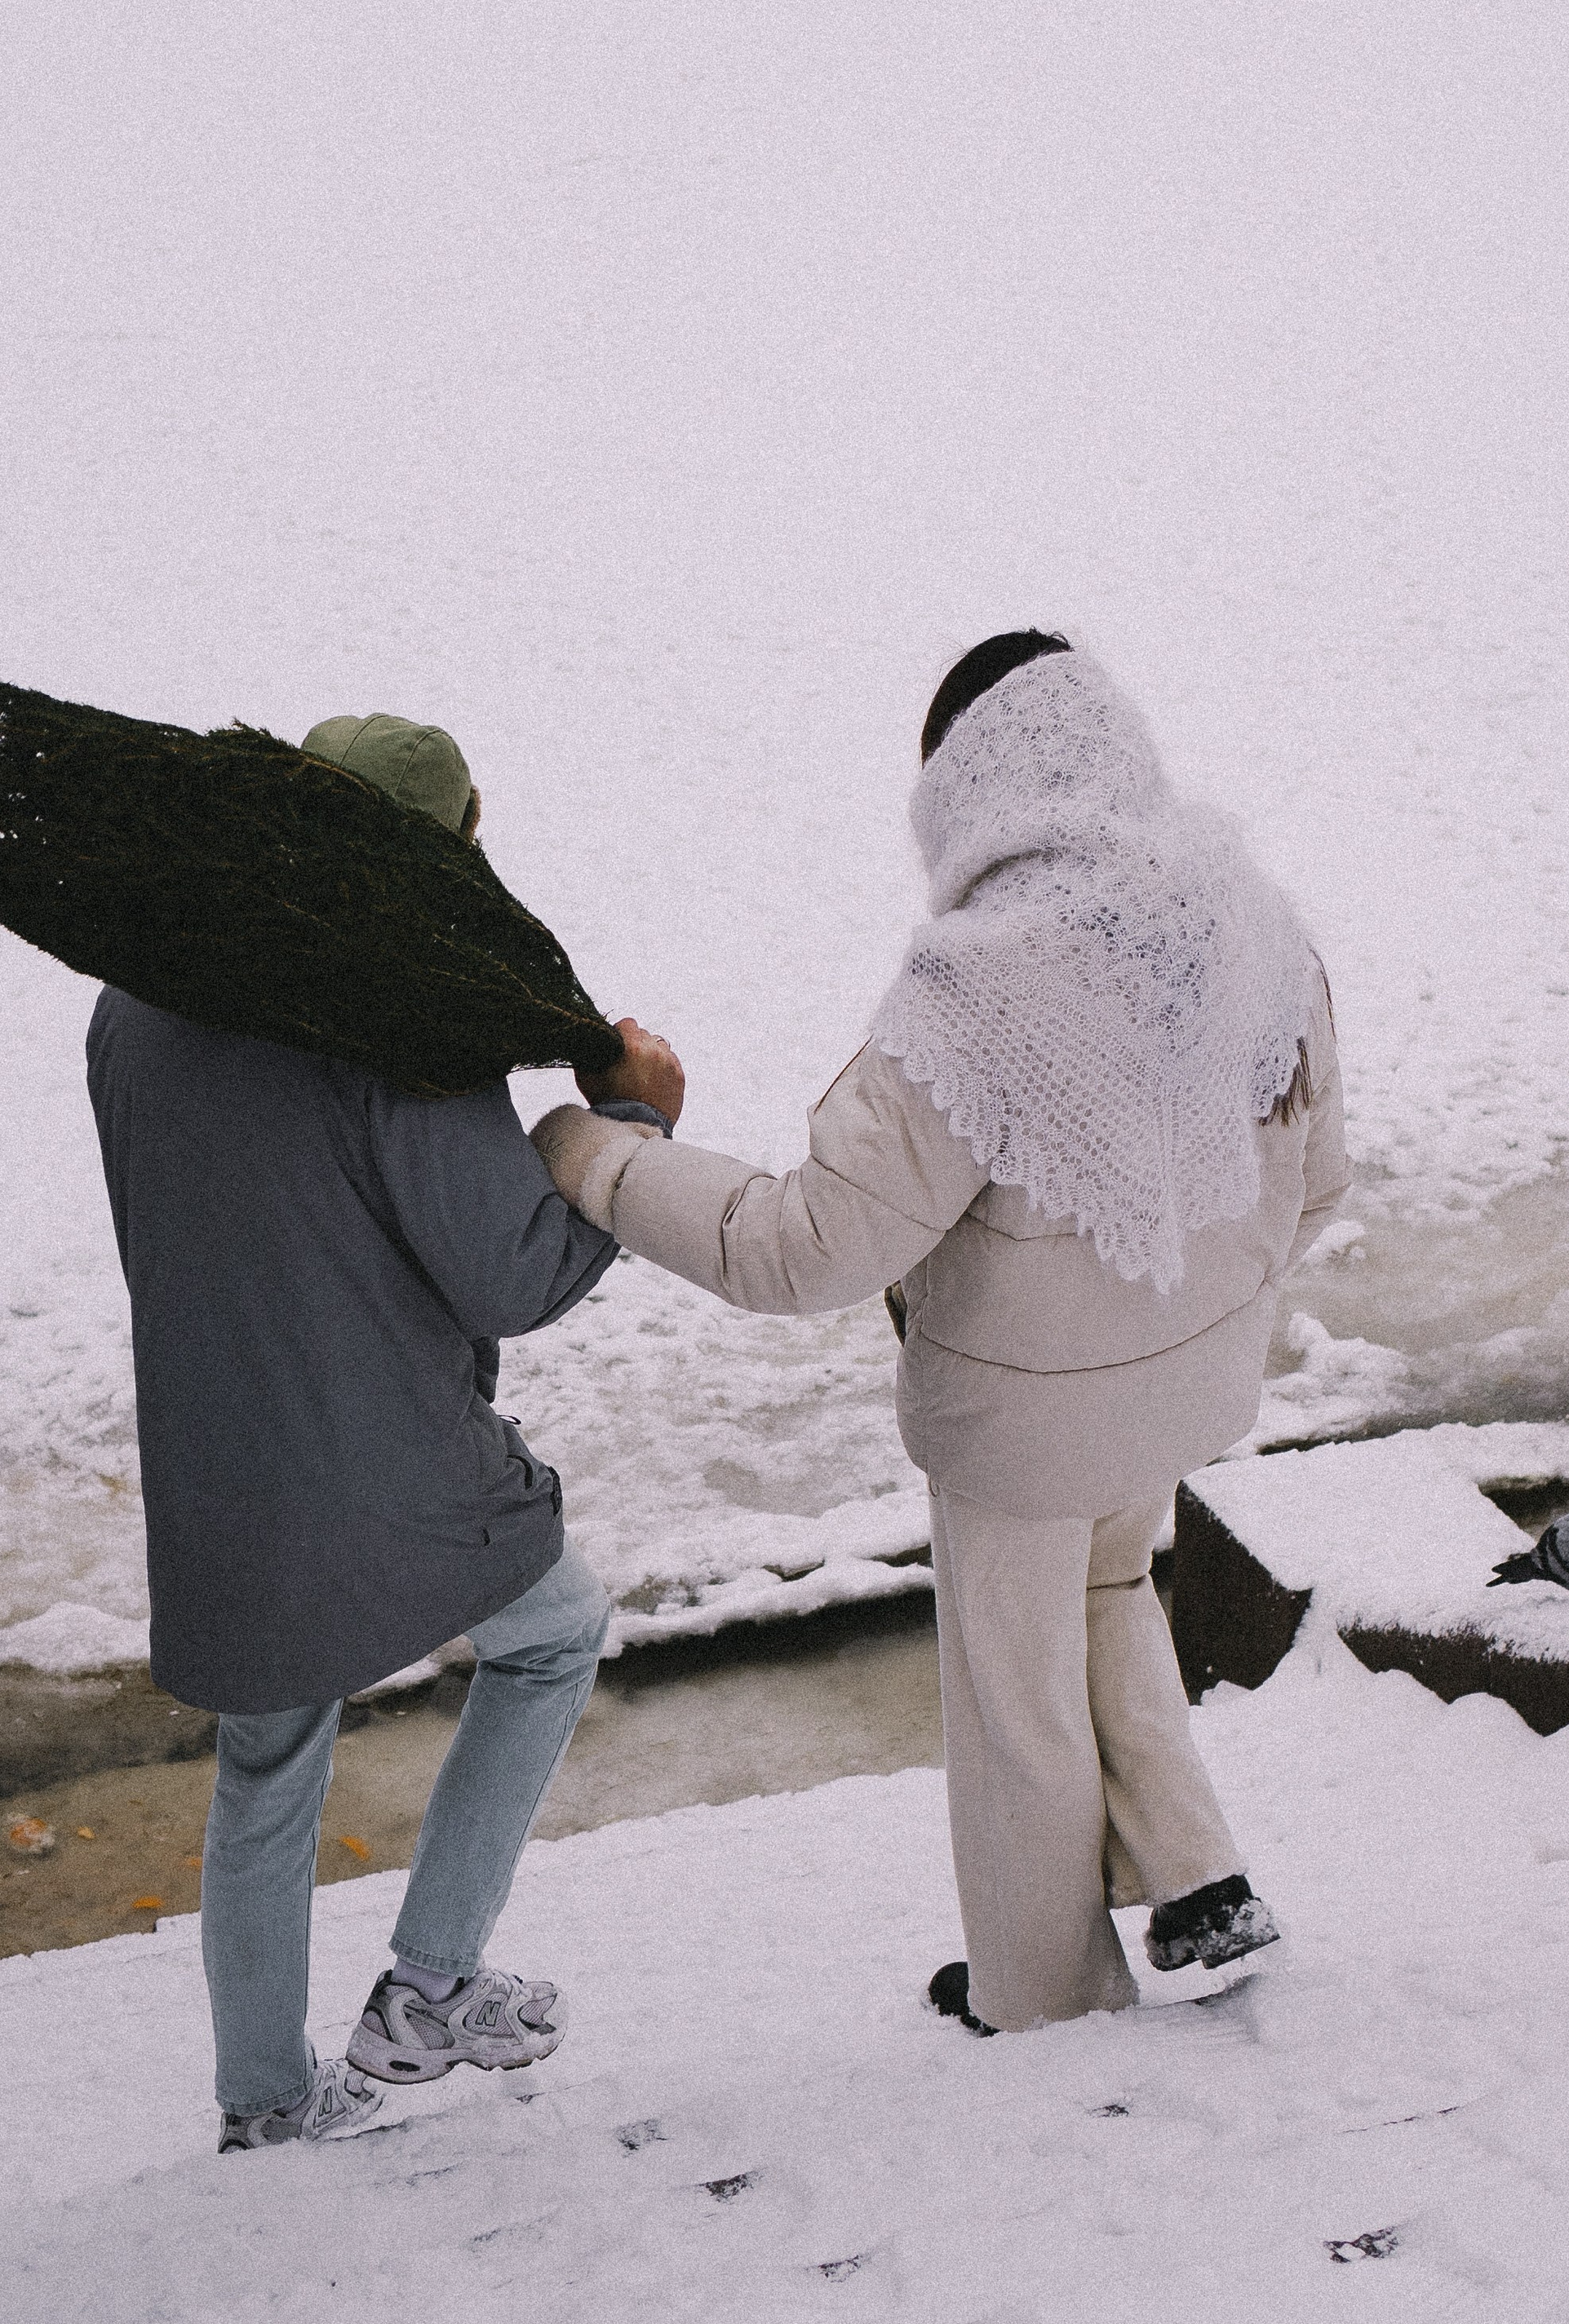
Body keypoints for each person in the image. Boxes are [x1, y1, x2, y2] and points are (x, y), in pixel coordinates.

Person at [534, 635, 1349, 2035]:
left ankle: (1042, 1996)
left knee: (1015, 1686)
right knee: (1113, 1589)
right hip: (1193, 1384)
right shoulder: (1255, 929)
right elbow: (1316, 1181)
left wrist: (593, 1158)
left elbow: (794, 1250)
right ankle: (1197, 1867)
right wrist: (1189, 1307)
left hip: (1019, 1426)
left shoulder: (972, 999)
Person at [86, 713, 677, 2152]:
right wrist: (624, 1120)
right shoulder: (399, 1027)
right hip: (391, 1461)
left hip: (218, 1460)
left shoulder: (137, 999)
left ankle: (268, 2104)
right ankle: (431, 1979)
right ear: (435, 846)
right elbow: (511, 1273)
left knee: (269, 1761)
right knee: (553, 1633)